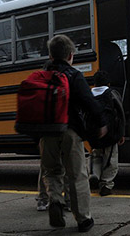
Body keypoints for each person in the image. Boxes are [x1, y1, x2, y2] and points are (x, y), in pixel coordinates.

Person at [40, 34, 107, 233]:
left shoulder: (41, 76)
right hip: (70, 131)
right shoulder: (73, 75)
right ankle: (83, 219)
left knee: (51, 171)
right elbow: (89, 102)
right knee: (77, 175)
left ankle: (55, 201)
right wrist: (101, 123)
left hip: (46, 133)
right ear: (70, 55)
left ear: (51, 55)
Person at [88, 70, 125, 196]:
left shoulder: (89, 95)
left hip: (94, 135)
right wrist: (121, 134)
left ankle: (94, 174)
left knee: (96, 156)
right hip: (110, 134)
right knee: (110, 159)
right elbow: (120, 115)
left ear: (94, 83)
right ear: (108, 83)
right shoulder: (112, 94)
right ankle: (106, 184)